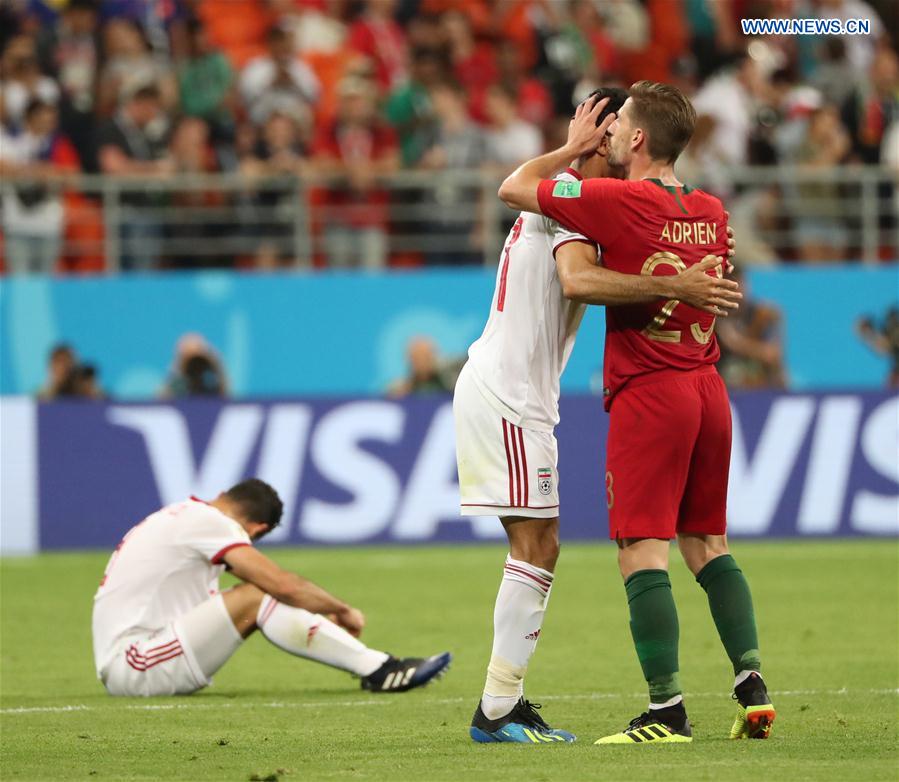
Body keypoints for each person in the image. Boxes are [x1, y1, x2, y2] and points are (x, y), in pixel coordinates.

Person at [454, 88, 742, 744]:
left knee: (541, 545)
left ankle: (502, 704)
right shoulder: (573, 200)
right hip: (507, 391)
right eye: (608, 128)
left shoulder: (574, 197)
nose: (614, 138)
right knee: (536, 545)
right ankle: (497, 709)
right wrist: (675, 281)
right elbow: (578, 280)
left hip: (522, 393)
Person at [92, 478, 451, 697]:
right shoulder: (211, 523)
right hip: (135, 664)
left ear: (223, 494)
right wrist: (341, 610)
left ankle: (377, 667)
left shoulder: (185, 515)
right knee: (259, 592)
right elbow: (281, 585)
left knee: (254, 595)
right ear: (257, 530)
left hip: (134, 657)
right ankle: (380, 669)